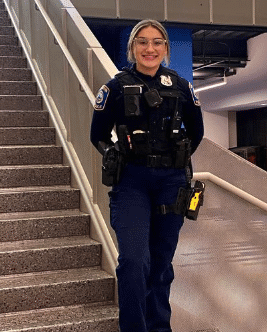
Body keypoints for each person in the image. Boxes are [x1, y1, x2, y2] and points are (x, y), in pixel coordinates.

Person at [90, 19, 204, 332]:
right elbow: (97, 135)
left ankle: (159, 327)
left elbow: (197, 131)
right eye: (142, 42)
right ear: (132, 48)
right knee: (134, 261)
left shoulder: (180, 87)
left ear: (166, 48)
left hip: (171, 183)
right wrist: (111, 154)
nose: (149, 48)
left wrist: (175, 160)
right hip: (131, 182)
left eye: (156, 42)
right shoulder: (114, 87)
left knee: (161, 264)